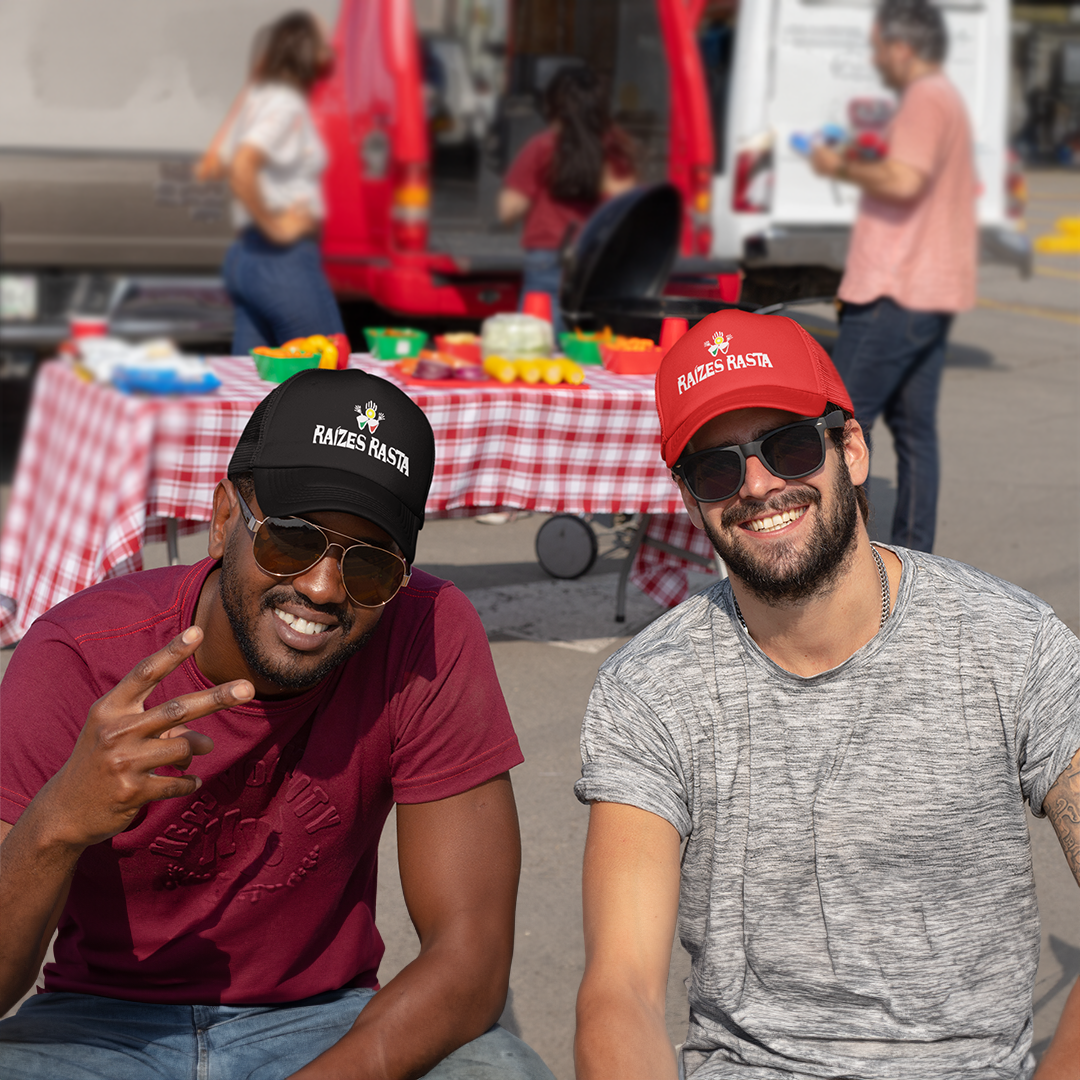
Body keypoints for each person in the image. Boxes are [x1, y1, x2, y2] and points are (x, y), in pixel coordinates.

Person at [0, 368, 554, 1080]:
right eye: (291, 540)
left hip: (323, 1021)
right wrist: (58, 822)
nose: (323, 588)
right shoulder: (79, 656)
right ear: (225, 519)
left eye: (372, 565)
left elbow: (471, 959)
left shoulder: (426, 631)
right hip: (100, 1027)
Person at [573, 308, 1080, 1080]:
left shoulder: (1009, 643)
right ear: (689, 500)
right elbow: (621, 990)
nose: (758, 485)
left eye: (789, 446)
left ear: (850, 448)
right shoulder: (650, 690)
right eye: (716, 468)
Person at [809, 0, 976, 553]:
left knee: (837, 429)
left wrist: (839, 167)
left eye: (879, 45)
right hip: (929, 293)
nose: (876, 56)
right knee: (916, 438)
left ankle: (836, 556)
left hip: (893, 292)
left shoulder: (925, 101)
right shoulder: (945, 99)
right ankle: (914, 556)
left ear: (902, 47)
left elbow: (904, 182)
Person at [210, 11, 347, 355]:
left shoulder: (259, 100)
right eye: (324, 45)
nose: (332, 53)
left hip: (246, 259)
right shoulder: (285, 105)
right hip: (282, 262)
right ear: (305, 51)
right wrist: (277, 228)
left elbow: (223, 161)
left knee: (257, 389)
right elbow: (241, 166)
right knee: (330, 376)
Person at [498, 66, 637, 336]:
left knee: (534, 347)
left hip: (547, 256)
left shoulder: (541, 147)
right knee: (591, 352)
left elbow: (508, 210)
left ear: (552, 105)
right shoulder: (615, 149)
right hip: (598, 261)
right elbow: (628, 208)